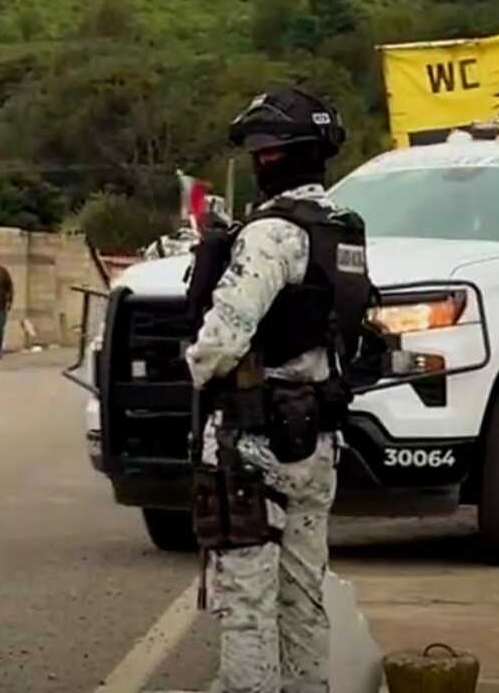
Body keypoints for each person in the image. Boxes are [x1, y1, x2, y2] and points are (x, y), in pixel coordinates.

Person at [186, 88, 372, 693]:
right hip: (316, 437)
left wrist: (192, 364)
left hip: (254, 437)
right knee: (303, 594)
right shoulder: (343, 230)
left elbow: (222, 338)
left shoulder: (271, 234)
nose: (256, 159)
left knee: (246, 603)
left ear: (278, 157)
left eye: (261, 149)